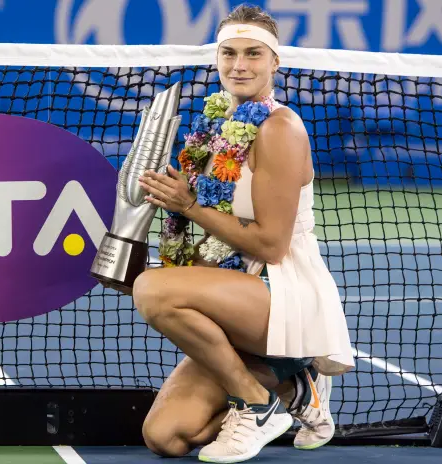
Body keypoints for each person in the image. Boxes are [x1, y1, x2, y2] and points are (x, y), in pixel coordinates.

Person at [133, 4, 354, 463]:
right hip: (233, 297)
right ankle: (293, 390)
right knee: (166, 437)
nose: (239, 65)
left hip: (283, 294)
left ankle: (255, 403)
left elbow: (270, 243)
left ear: (276, 62)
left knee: (153, 290)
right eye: (229, 53)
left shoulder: (279, 129)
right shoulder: (214, 128)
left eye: (253, 54)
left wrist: (188, 205)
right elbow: (208, 235)